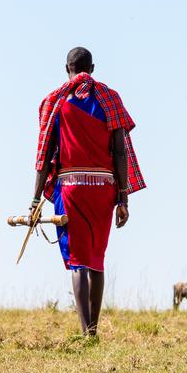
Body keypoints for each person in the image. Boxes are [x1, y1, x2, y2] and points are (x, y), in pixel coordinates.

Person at [31, 47, 145, 336]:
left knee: (77, 261)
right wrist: (123, 196)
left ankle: (86, 332)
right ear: (92, 67)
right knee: (96, 257)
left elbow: (44, 155)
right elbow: (120, 153)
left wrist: (34, 200)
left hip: (69, 190)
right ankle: (93, 329)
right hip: (103, 189)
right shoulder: (110, 99)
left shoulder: (56, 101)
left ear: (65, 68)